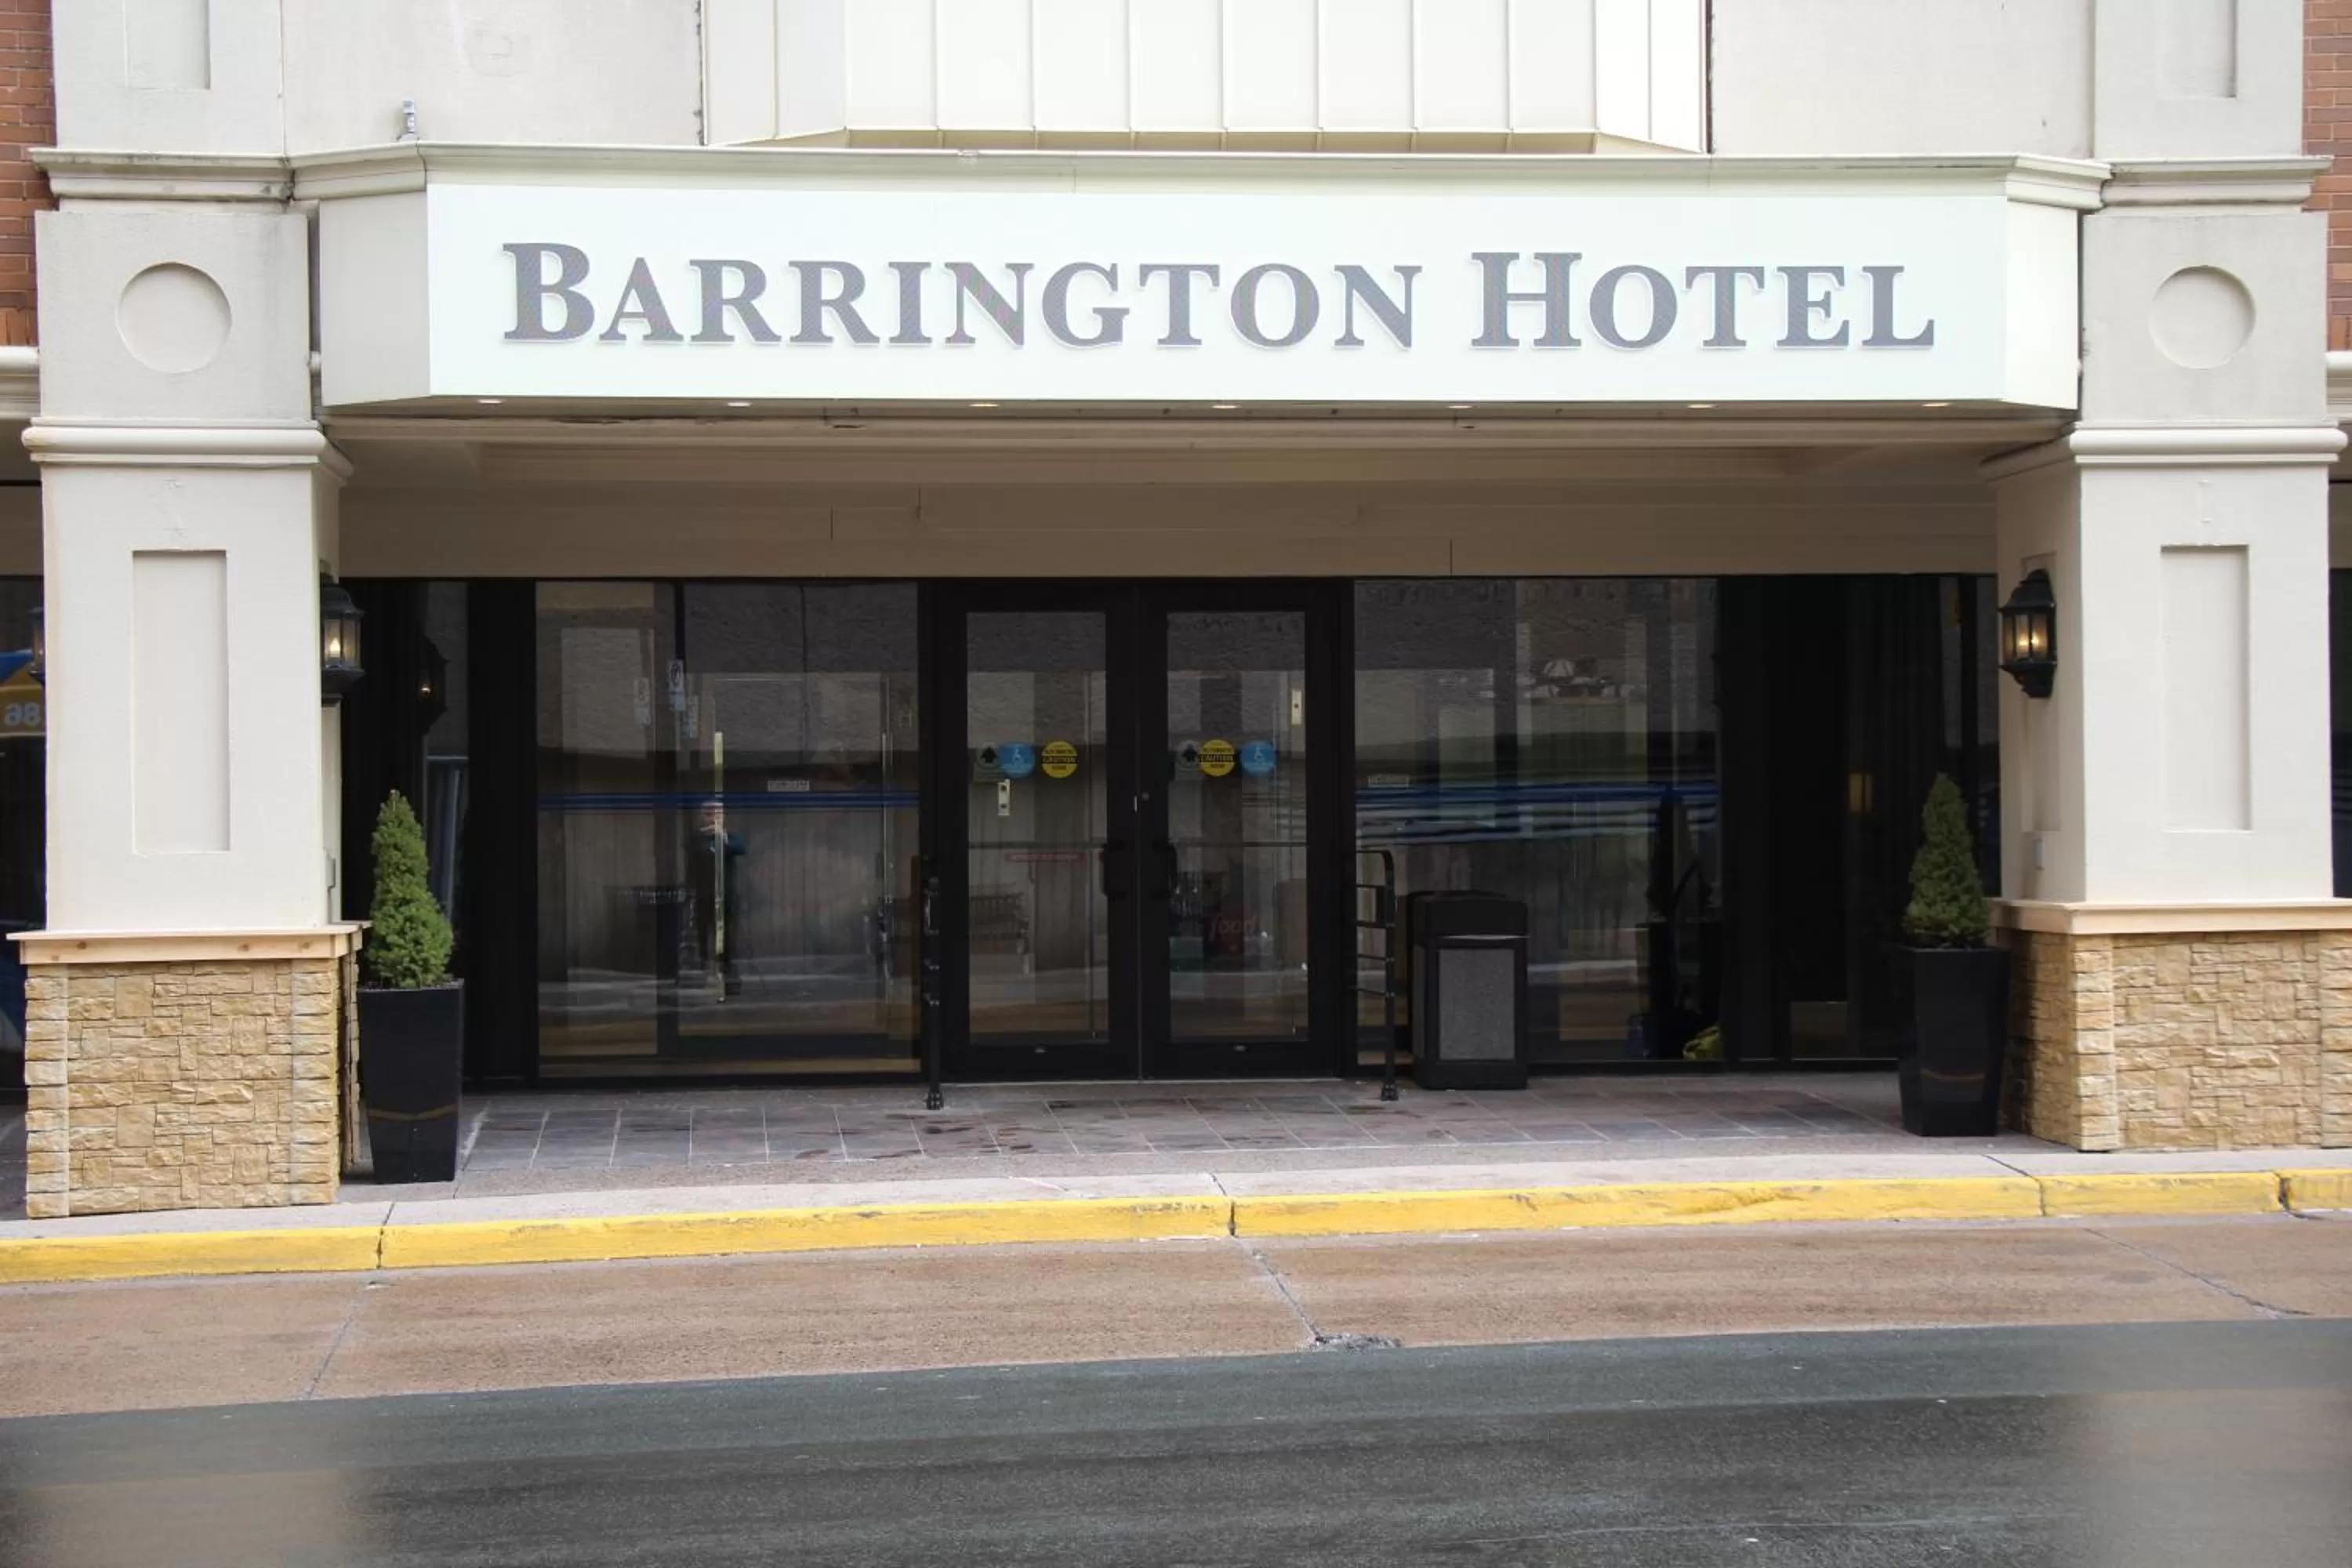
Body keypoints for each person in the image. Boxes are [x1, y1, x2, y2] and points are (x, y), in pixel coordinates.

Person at [689, 798, 746, 998]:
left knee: (728, 938)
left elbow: (739, 849)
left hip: (727, 897)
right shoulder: (697, 838)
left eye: (719, 814)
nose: (715, 818)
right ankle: (704, 973)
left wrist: (721, 836)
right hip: (705, 896)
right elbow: (697, 856)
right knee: (704, 936)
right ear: (703, 816)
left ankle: (728, 976)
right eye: (710, 814)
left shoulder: (730, 836)